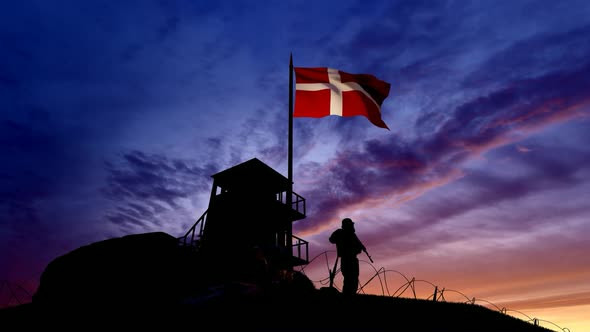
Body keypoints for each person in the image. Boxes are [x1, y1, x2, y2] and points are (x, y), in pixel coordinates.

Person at [329, 218, 367, 296]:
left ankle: (350, 294)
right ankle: (347, 295)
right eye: (351, 224)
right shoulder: (341, 232)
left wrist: (360, 247)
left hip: (352, 259)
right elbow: (332, 239)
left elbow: (359, 246)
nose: (352, 226)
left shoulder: (352, 235)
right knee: (349, 278)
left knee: (353, 278)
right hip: (347, 259)